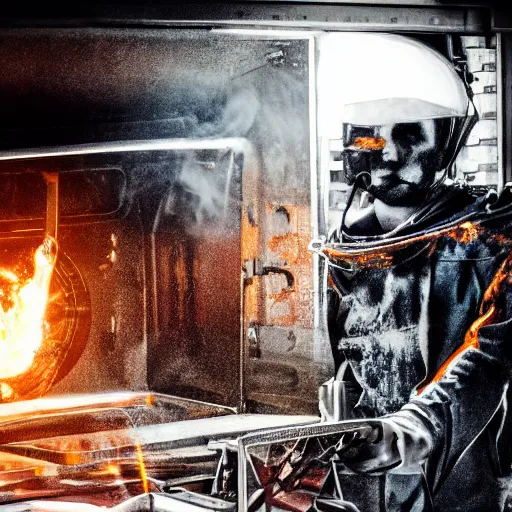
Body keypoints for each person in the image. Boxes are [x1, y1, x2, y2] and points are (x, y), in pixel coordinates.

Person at [312, 33, 512, 511]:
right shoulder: (344, 253)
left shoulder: (487, 243)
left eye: (409, 133)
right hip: (358, 490)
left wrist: (408, 431)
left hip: (459, 489)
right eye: (369, 134)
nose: (388, 153)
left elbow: (488, 357)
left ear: (448, 140)